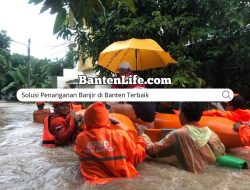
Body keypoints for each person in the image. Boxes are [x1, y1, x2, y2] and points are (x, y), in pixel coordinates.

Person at [136, 102, 225, 173]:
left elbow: (151, 151)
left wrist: (142, 134)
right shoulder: (211, 133)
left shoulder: (178, 134)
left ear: (183, 115)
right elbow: (221, 154)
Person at [74, 102, 146, 184]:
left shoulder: (80, 139)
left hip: (93, 184)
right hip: (124, 182)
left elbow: (80, 151)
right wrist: (140, 137)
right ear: (106, 118)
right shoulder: (120, 135)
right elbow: (137, 157)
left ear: (87, 119)